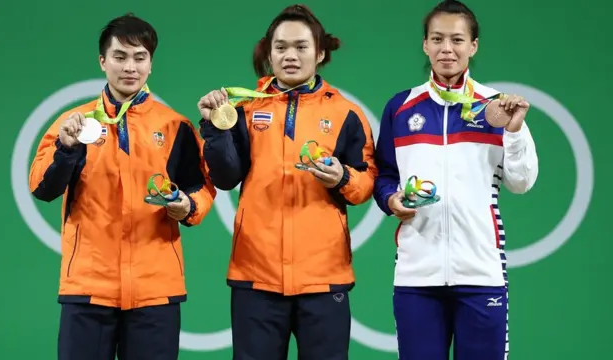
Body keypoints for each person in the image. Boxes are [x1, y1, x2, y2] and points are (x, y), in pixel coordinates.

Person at [28, 13, 216, 360]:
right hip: (88, 290)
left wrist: (187, 207)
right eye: (120, 56)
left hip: (155, 292)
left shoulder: (175, 126)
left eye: (139, 57)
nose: (130, 67)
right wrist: (66, 148)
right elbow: (41, 187)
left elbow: (201, 188)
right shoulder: (74, 124)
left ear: (150, 64)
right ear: (103, 61)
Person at [197, 4, 377, 360]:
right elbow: (226, 177)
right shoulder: (244, 109)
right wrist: (214, 127)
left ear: (320, 52)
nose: (290, 56)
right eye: (280, 47)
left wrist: (342, 177)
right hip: (256, 275)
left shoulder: (346, 113)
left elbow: (366, 182)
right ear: (269, 52)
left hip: (324, 276)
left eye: (301, 47)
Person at [373, 1, 538, 359]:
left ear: (473, 46)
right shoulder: (400, 108)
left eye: (457, 40)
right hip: (417, 276)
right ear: (425, 44)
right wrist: (390, 199)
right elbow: (384, 173)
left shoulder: (498, 107)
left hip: (481, 272)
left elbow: (521, 182)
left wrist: (514, 130)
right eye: (437, 39)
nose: (447, 48)